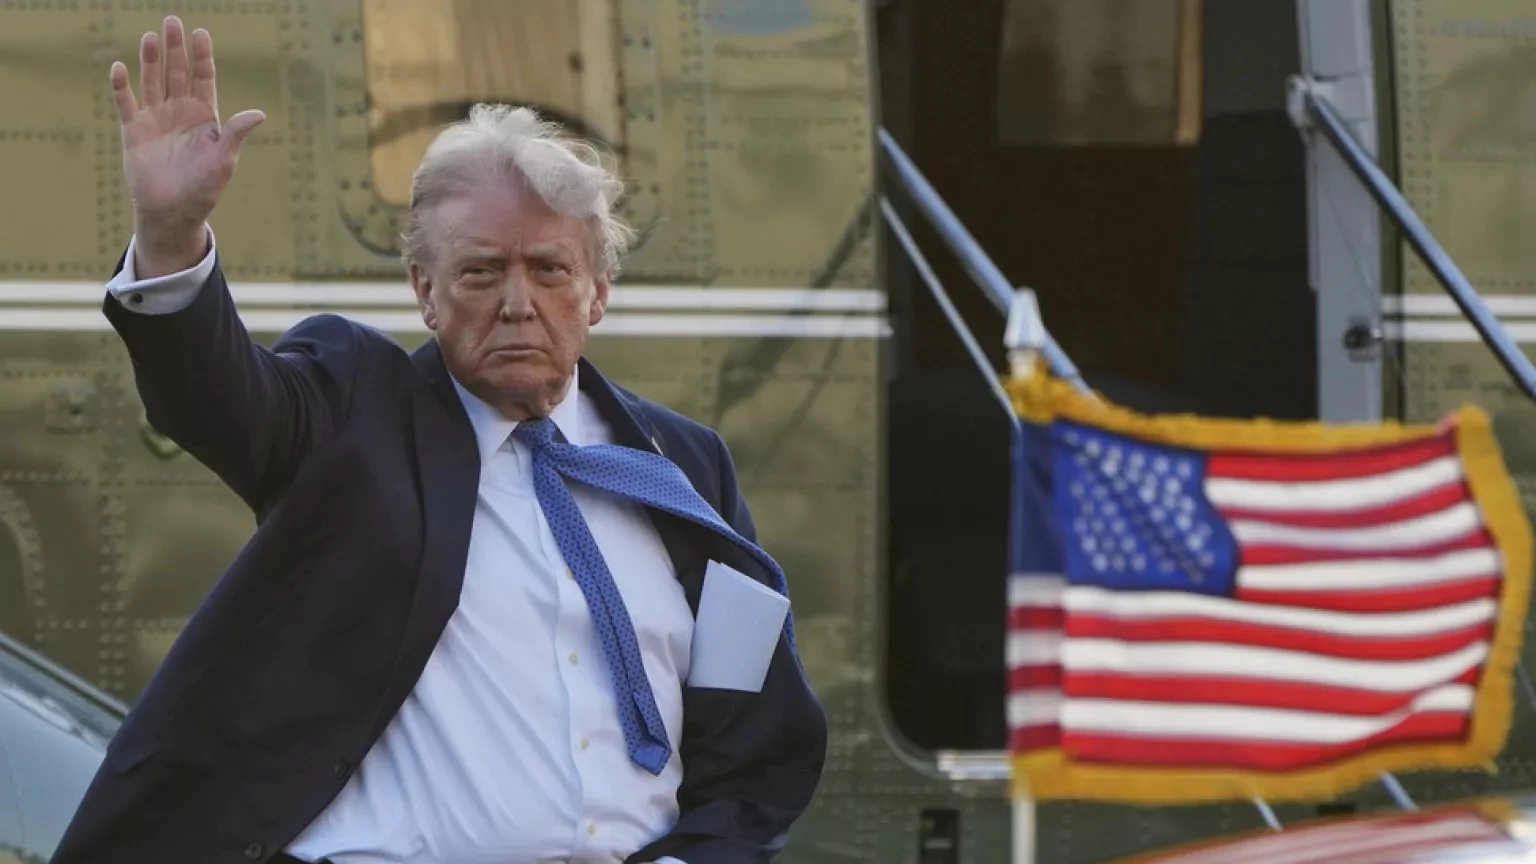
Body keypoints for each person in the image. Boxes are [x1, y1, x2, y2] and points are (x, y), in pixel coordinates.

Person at [50, 16, 827, 864]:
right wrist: (170, 237)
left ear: (598, 292)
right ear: (425, 290)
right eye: (480, 272)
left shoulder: (684, 468)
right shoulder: (354, 414)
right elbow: (217, 400)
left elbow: (753, 746)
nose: (518, 304)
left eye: (550, 270)